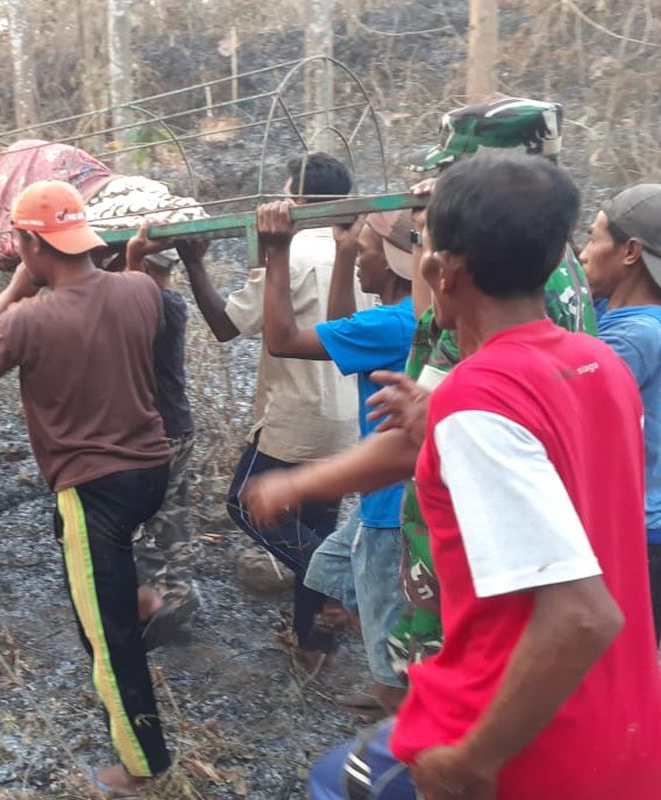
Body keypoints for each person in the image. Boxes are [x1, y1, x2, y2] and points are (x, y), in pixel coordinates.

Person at [307, 153, 661, 800]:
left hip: (530, 743)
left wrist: (472, 759)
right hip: (626, 723)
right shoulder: (595, 361)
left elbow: (582, 617)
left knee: (338, 783)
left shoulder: (479, 400)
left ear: (443, 271)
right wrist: (442, 418)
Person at [242, 99, 598, 678]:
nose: (428, 191)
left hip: (469, 544)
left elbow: (425, 430)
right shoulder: (560, 269)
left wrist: (296, 482)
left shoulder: (487, 297)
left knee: (420, 686)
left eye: (445, 178)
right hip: (512, 538)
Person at [0, 181, 172, 797]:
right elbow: (119, 296)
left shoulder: (29, 318)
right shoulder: (141, 291)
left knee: (104, 633)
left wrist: (16, 290)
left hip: (91, 489)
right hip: (150, 473)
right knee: (109, 588)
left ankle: (140, 767)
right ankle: (134, 597)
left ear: (27, 243)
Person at [182, 152, 365, 669]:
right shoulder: (360, 249)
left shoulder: (296, 250)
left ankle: (340, 584)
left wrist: (195, 263)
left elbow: (225, 326)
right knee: (318, 521)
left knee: (245, 505)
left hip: (296, 414)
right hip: (347, 416)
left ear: (297, 200)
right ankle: (314, 643)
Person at [259, 197, 416, 709]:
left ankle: (399, 726)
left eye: (365, 249)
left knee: (385, 604)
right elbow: (342, 329)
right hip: (390, 496)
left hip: (390, 504)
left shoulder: (393, 324)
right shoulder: (404, 317)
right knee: (329, 568)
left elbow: (281, 340)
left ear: (394, 263)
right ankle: (383, 667)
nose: (359, 255)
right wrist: (346, 254)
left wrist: (275, 251)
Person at [579, 183, 661, 647]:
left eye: (593, 239)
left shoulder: (634, 338)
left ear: (630, 251)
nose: (586, 254)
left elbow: (560, 402)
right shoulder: (615, 313)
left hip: (639, 537)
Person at [122, 233, 204, 647]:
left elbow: (120, 315)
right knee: (173, 518)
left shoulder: (158, 304)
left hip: (157, 433)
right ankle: (180, 604)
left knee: (141, 522)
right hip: (176, 425)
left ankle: (155, 605)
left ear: (148, 267)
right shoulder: (171, 302)